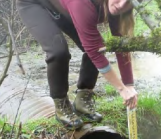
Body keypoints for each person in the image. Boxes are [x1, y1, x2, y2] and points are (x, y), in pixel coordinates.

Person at [16, 0, 138, 130]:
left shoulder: (117, 7)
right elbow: (94, 51)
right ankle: (61, 104)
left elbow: (122, 46)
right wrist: (121, 89)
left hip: (62, 6)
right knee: (58, 51)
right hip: (35, 3)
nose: (121, 4)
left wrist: (128, 84)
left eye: (128, 2)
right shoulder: (82, 3)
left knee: (99, 47)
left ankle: (82, 100)